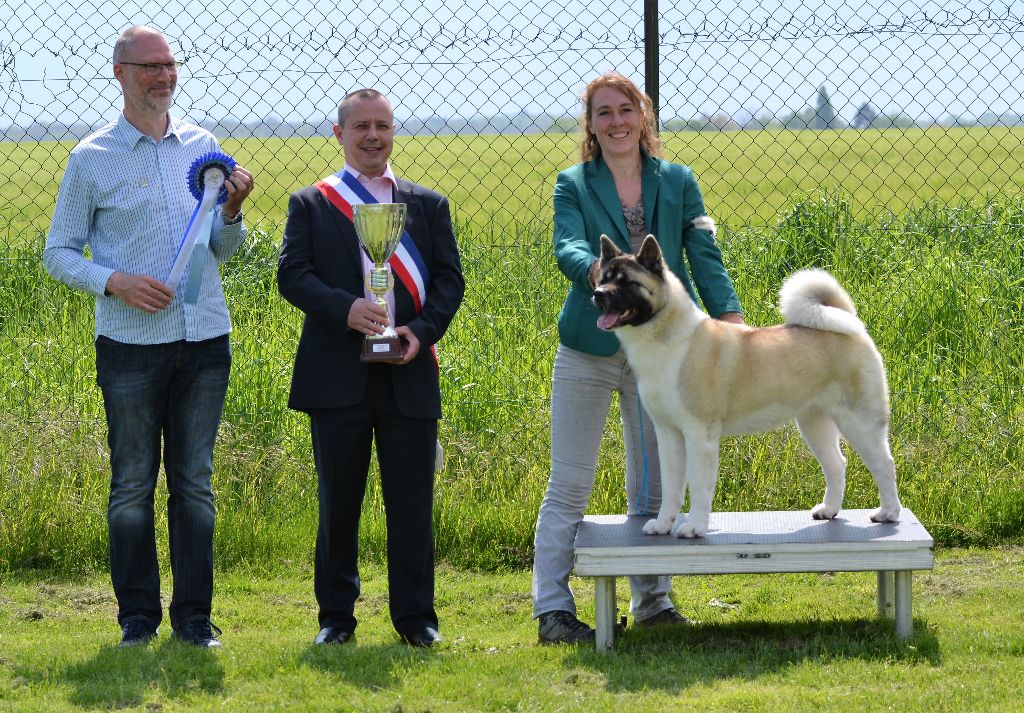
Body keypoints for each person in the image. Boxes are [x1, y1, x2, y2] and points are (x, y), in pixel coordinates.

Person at [43, 26, 254, 648]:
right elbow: (57, 252)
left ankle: (194, 620)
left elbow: (222, 247)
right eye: (150, 67)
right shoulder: (91, 158)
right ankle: (137, 618)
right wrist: (115, 282)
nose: (164, 76)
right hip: (130, 345)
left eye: (171, 65)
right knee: (132, 482)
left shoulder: (205, 147)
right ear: (120, 73)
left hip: (204, 338)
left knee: (194, 481)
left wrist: (235, 213)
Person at [532, 71, 745, 644]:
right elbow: (568, 246)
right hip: (591, 346)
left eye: (625, 109)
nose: (616, 121)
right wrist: (597, 273)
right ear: (592, 125)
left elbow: (703, 251)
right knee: (570, 484)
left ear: (642, 116)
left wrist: (728, 316)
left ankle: (653, 601)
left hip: (668, 354)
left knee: (654, 483)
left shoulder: (677, 180)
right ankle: (553, 608)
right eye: (603, 112)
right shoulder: (572, 183)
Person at [277, 89, 464, 648]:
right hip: (337, 376)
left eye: (382, 125)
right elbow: (293, 274)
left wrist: (419, 331)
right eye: (361, 126)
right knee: (338, 505)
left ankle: (416, 618)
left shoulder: (427, 205)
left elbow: (450, 282)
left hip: (408, 369)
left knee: (411, 503)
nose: (373, 136)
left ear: (393, 132)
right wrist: (347, 308)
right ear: (340, 134)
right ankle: (336, 618)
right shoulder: (312, 202)